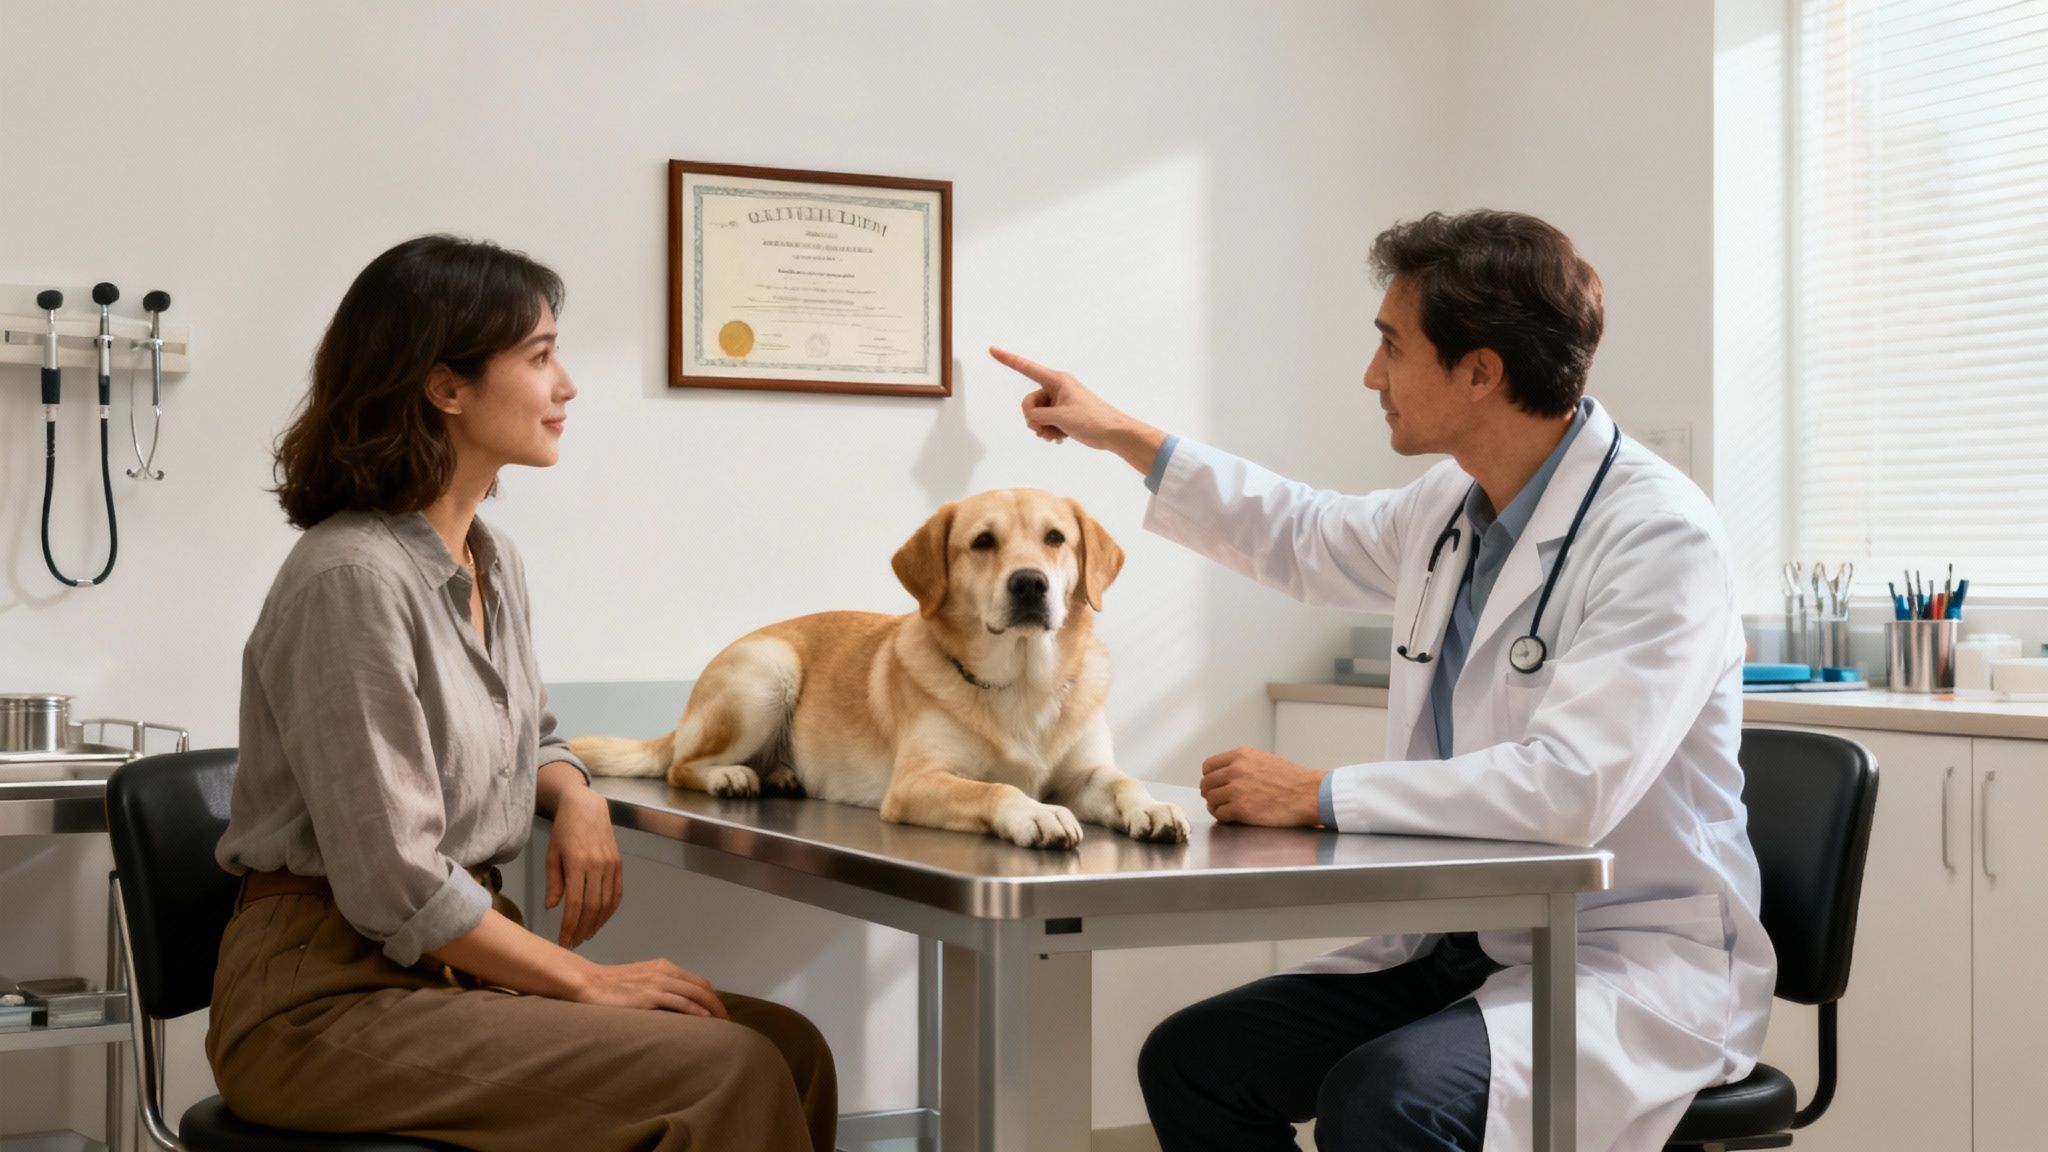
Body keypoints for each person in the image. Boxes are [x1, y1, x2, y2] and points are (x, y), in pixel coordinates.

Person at [989, 209, 1774, 1152]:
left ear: (1479, 371)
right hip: (1459, 937)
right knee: (1193, 1061)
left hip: (1622, 955)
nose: (1373, 375)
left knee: (1385, 1098)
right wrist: (1116, 431)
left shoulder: (1658, 537)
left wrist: (1318, 795)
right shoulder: (1451, 504)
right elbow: (1301, 532)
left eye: (1391, 347)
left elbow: (1571, 788)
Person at [209, 234, 836, 1151]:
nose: (567, 385)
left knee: (786, 1047)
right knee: (726, 1066)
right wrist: (582, 980)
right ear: (446, 386)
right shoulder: (350, 580)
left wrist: (576, 793)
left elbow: (529, 732)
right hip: (326, 999)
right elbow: (398, 882)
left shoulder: (489, 563)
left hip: (437, 974)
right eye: (541, 357)